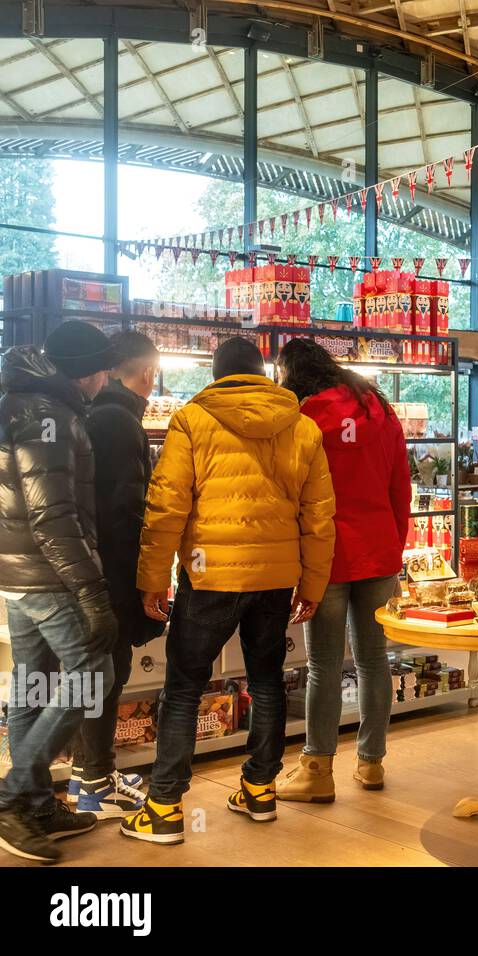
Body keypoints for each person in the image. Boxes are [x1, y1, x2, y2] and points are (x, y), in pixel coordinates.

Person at [120, 336, 336, 846]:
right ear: (263, 373)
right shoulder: (303, 427)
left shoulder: (192, 421)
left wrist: (151, 577)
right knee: (266, 680)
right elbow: (321, 515)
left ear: (215, 376)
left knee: (183, 688)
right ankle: (260, 789)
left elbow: (167, 506)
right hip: (275, 579)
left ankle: (164, 806)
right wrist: (313, 582)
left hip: (209, 575)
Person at [0, 321, 120, 863]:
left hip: (18, 572)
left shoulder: (22, 401)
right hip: (47, 575)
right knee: (95, 674)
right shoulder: (49, 415)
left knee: (31, 682)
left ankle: (33, 801)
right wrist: (93, 595)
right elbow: (53, 516)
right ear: (87, 370)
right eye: (104, 369)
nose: (106, 380)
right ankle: (12, 800)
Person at [273, 338, 409, 802]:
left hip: (326, 556)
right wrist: (395, 544)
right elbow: (400, 487)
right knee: (374, 662)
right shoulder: (379, 410)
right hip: (378, 551)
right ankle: (371, 764)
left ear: (293, 374)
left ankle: (318, 769)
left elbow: (293, 495)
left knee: (323, 665)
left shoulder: (304, 416)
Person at [66, 331, 163, 820]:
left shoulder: (89, 412)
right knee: (108, 674)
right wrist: (145, 580)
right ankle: (96, 781)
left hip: (81, 567)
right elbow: (126, 512)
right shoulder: (119, 422)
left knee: (93, 675)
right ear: (146, 372)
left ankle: (90, 777)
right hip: (110, 572)